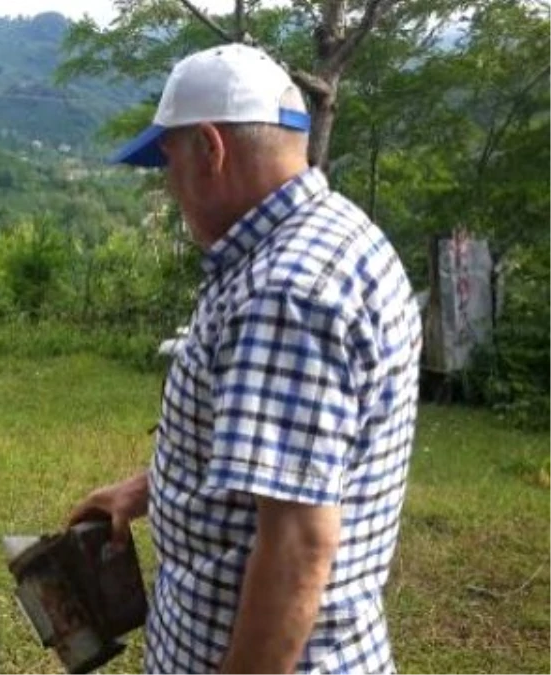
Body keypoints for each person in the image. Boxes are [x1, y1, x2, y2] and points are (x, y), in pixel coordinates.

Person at [69, 44, 423, 674]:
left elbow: (296, 554)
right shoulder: (336, 237)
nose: (167, 184)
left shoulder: (284, 294)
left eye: (167, 160)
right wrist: (145, 489)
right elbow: (298, 465)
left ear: (210, 150)